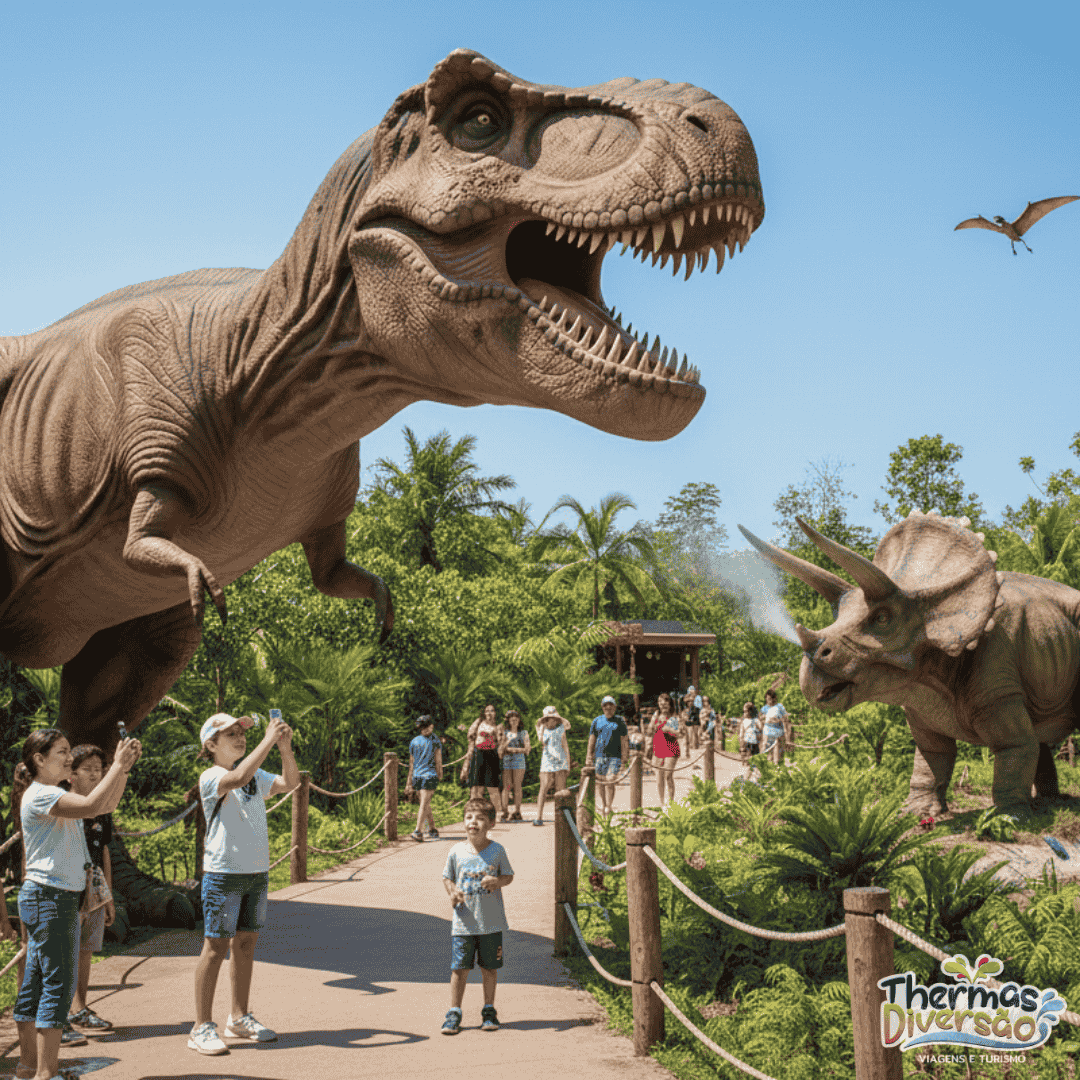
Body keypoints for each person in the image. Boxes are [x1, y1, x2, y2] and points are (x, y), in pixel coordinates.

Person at [12, 727, 141, 1080]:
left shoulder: (53, 793)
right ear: (39, 760)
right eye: (62, 751)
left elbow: (105, 804)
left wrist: (123, 768)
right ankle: (46, 1073)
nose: (70, 757)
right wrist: (117, 764)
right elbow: (91, 804)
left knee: (37, 984)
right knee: (57, 985)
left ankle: (28, 1067)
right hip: (51, 898)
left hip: (51, 897)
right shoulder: (40, 795)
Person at [190, 712, 298, 1057]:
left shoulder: (256, 774)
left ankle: (238, 1017)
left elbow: (290, 783)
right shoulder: (213, 775)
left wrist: (284, 747)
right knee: (216, 947)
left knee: (246, 944)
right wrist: (268, 739)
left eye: (242, 732)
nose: (240, 737)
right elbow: (236, 778)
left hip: (256, 872)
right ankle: (201, 1027)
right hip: (223, 874)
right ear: (211, 745)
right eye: (231, 734)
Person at [441, 798, 515, 1035]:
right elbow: (447, 877)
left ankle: (489, 1009)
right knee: (459, 969)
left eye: (480, 818)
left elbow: (508, 876)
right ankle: (454, 1012)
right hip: (463, 923)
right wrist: (453, 893)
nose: (473, 822)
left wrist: (497, 881)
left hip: (491, 923)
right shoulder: (456, 851)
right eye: (469, 817)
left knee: (489, 968)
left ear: (491, 823)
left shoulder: (497, 851)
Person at [65, 745, 116, 1035]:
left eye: (99, 768)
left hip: (95, 881)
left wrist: (108, 895)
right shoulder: (64, 803)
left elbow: (104, 850)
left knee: (86, 950)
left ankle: (79, 1008)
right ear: (71, 774)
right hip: (70, 881)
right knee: (67, 951)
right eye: (88, 769)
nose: (95, 774)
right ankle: (61, 1013)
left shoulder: (102, 808)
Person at [585, 696, 629, 816]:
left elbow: (624, 739)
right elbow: (592, 739)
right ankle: (604, 804)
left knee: (610, 780)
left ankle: (609, 806)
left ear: (614, 707)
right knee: (600, 782)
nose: (608, 707)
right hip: (600, 756)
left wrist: (625, 758)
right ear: (602, 707)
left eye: (610, 705)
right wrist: (589, 755)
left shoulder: (620, 721)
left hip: (615, 757)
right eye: (605, 705)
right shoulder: (597, 721)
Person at [405, 716, 443, 842]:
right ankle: (429, 829)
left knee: (424, 803)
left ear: (431, 726)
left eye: (426, 726)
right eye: (423, 727)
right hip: (424, 776)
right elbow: (438, 760)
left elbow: (412, 763)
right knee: (424, 804)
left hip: (423, 775)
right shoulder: (433, 740)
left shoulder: (415, 741)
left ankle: (418, 830)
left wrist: (409, 782)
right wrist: (440, 774)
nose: (425, 729)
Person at [533, 706, 570, 825]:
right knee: (544, 787)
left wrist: (568, 764)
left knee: (560, 790)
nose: (552, 721)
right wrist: (541, 725)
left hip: (560, 761)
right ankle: (538, 816)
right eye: (549, 719)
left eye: (554, 719)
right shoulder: (542, 730)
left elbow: (565, 746)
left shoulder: (561, 730)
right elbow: (540, 739)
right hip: (547, 761)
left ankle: (561, 817)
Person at [464, 704, 503, 809]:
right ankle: (474, 809)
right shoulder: (479, 722)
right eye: (487, 711)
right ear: (484, 713)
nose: (489, 713)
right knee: (476, 785)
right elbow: (470, 736)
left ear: (495, 713)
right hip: (478, 754)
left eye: (492, 711)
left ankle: (498, 812)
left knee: (492, 786)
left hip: (491, 755)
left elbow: (501, 742)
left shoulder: (498, 725)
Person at [648, 692, 680, 807]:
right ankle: (662, 803)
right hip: (658, 748)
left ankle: (671, 802)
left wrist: (669, 730)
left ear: (670, 704)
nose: (663, 705)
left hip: (671, 748)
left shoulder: (673, 716)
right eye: (660, 702)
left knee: (668, 775)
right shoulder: (656, 715)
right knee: (659, 776)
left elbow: (678, 733)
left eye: (665, 702)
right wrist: (653, 722)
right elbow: (649, 730)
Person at [500, 710, 530, 822]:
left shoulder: (524, 733)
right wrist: (509, 744)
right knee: (506, 787)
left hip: (519, 762)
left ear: (519, 720)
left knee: (517, 786)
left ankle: (517, 811)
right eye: (511, 719)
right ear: (508, 721)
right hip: (507, 762)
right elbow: (501, 749)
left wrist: (512, 749)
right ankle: (504, 811)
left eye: (516, 718)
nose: (514, 720)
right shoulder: (505, 733)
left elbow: (527, 749)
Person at [760, 690, 789, 763]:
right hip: (767, 733)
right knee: (766, 752)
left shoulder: (779, 707)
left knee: (777, 754)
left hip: (777, 734)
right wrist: (764, 719)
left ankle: (776, 768)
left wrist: (778, 720)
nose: (768, 701)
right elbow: (760, 718)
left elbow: (785, 719)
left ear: (774, 698)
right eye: (767, 699)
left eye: (770, 699)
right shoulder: (765, 708)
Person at [683, 685, 702, 750]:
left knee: (696, 732)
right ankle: (690, 745)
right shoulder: (686, 697)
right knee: (689, 732)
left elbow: (699, 706)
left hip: (696, 715)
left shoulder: (697, 697)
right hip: (688, 715)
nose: (691, 691)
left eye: (692, 689)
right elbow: (684, 702)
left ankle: (696, 745)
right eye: (690, 689)